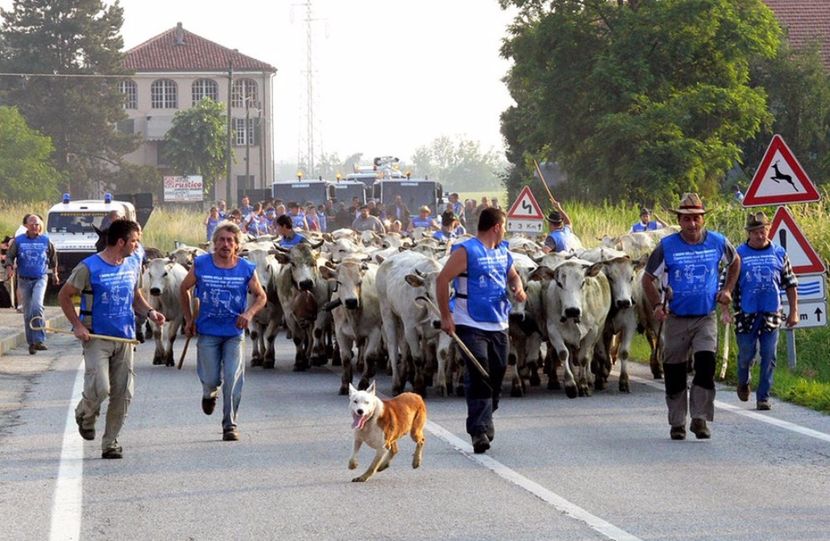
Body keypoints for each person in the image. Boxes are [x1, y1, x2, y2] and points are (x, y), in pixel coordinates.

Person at [58, 219, 166, 459]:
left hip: (125, 338)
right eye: (135, 241)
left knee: (123, 392)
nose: (137, 245)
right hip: (96, 337)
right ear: (121, 242)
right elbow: (65, 296)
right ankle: (85, 413)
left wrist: (149, 312)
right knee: (101, 387)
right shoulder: (88, 267)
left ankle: (111, 442)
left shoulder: (131, 264)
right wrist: (76, 325)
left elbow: (135, 296)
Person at [641, 193, 740, 441]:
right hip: (676, 318)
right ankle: (677, 423)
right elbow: (647, 279)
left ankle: (700, 418)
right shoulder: (667, 246)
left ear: (702, 219)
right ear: (680, 220)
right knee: (675, 371)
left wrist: (727, 289)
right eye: (687, 219)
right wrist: (656, 305)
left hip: (705, 316)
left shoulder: (718, 242)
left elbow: (735, 261)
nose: (692, 224)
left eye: (696, 219)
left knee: (706, 365)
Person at [436, 207, 526, 454]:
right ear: (496, 226)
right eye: (504, 225)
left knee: (496, 372)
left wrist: (518, 288)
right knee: (479, 371)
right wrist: (446, 315)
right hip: (469, 321)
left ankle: (486, 415)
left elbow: (513, 276)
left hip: (498, 322)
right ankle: (478, 431)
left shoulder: (502, 251)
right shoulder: (466, 251)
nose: (505, 229)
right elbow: (442, 280)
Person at [180, 222, 266, 442]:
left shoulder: (246, 268)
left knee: (232, 377)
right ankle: (209, 393)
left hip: (234, 332)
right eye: (221, 240)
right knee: (210, 379)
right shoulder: (201, 264)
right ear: (214, 243)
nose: (225, 244)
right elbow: (184, 288)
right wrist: (189, 319)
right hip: (207, 331)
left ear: (237, 245)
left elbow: (261, 296)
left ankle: (230, 423)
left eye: (230, 241)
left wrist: (249, 314)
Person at [731, 211, 798, 411]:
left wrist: (794, 311)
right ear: (748, 233)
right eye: (756, 232)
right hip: (746, 314)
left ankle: (763, 397)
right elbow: (727, 284)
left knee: (769, 355)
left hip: (771, 313)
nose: (761, 235)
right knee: (746, 355)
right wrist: (725, 309)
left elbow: (790, 283)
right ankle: (743, 380)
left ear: (769, 230)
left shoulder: (779, 253)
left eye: (764, 231)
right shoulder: (738, 254)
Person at [5, 214, 59, 354]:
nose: (35, 226)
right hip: (24, 280)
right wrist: (10, 268)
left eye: (37, 224)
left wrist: (55, 274)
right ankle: (31, 343)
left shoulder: (45, 240)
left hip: (40, 278)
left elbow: (53, 258)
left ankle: (39, 339)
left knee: (37, 306)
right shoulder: (19, 241)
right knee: (28, 313)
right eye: (32, 223)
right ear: (26, 226)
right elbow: (10, 256)